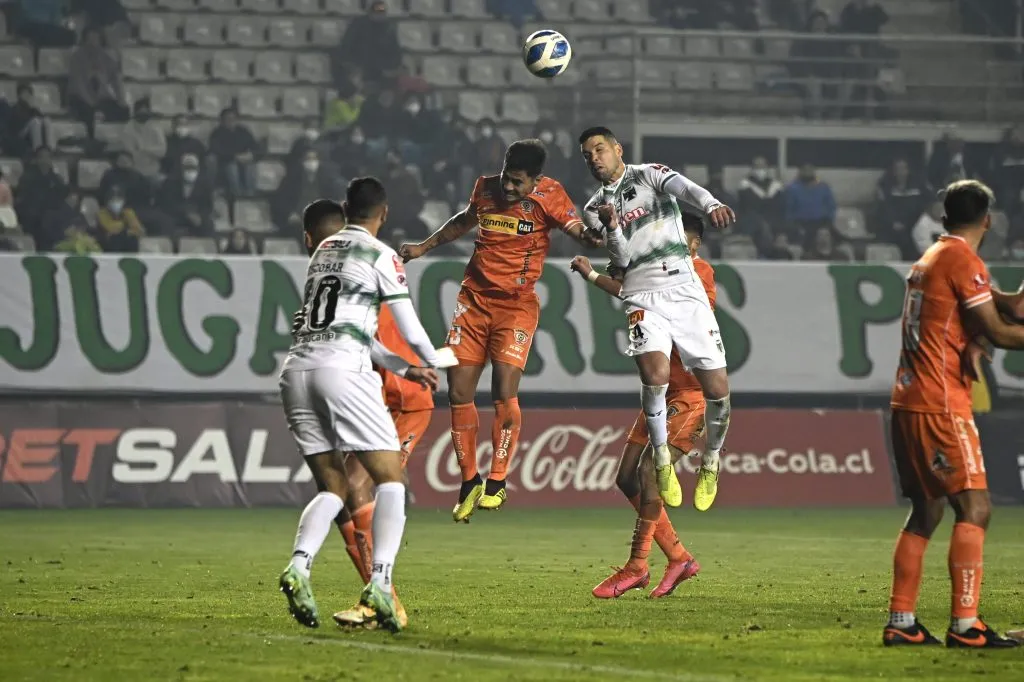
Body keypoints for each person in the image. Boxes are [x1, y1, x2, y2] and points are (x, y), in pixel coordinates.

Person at [277, 183, 456, 633]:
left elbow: (360, 334)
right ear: (384, 213)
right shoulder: (379, 254)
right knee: (390, 479)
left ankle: (299, 566)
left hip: (296, 372)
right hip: (344, 372)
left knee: (333, 489)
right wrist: (433, 359)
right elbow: (411, 330)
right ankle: (380, 584)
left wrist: (403, 368)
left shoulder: (321, 254)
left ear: (344, 210)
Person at [398, 139, 601, 521]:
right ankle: (469, 480)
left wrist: (592, 237)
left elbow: (575, 227)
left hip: (516, 307)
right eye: (507, 179)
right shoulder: (485, 187)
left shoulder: (551, 195)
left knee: (503, 389)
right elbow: (463, 219)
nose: (509, 188)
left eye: (518, 183)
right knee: (458, 392)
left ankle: (498, 480)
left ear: (536, 180)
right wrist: (424, 248)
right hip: (472, 302)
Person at [884, 179, 1024, 649]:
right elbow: (1001, 333)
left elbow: (1002, 308)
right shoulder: (963, 260)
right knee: (976, 507)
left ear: (945, 217)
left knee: (926, 510)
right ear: (988, 220)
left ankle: (902, 621)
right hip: (941, 401)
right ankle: (966, 625)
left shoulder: (933, 258)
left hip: (909, 399)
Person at [579, 126, 734, 511]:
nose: (594, 158)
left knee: (718, 389)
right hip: (641, 293)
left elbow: (685, 188)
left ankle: (711, 460)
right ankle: (662, 458)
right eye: (587, 155)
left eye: (599, 149)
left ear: (617, 149)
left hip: (683, 286)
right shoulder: (594, 208)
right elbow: (622, 258)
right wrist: (612, 226)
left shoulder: (648, 173)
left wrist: (711, 203)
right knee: (655, 377)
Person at [570, 214, 709, 599]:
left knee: (650, 469)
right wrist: (596, 276)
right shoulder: (659, 271)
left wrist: (635, 278)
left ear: (695, 244)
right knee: (626, 477)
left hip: (691, 395)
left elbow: (680, 310)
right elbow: (637, 292)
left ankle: (637, 565)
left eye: (688, 241)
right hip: (661, 394)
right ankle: (679, 557)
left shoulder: (699, 274)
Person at [67, 27, 129, 136]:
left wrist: (121, 99)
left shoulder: (106, 58)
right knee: (91, 114)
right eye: (90, 39)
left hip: (101, 99)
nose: (93, 43)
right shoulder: (76, 58)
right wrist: (93, 105)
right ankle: (93, 142)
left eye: (96, 39)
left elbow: (116, 79)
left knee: (123, 111)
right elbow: (79, 86)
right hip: (81, 99)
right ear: (84, 40)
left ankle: (117, 139)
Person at [876, 158, 930, 260]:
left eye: (903, 168)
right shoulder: (885, 185)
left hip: (915, 224)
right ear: (893, 171)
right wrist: (893, 222)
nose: (901, 172)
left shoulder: (918, 185)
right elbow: (884, 208)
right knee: (903, 238)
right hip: (894, 227)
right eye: (898, 168)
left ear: (908, 170)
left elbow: (929, 202)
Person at [15, 146, 68, 241]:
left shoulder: (56, 179)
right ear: (36, 159)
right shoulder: (27, 178)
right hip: (34, 216)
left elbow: (62, 196)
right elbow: (24, 200)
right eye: (42, 157)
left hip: (53, 214)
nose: (45, 160)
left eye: (48, 157)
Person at [158, 154, 215, 237]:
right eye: (187, 167)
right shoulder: (170, 182)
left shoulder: (205, 184)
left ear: (198, 168)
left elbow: (208, 206)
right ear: (181, 168)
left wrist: (199, 216)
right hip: (175, 214)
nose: (190, 170)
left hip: (197, 214)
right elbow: (167, 204)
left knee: (208, 224)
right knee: (165, 222)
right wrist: (187, 213)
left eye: (193, 167)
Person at [209, 108, 259, 198]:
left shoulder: (243, 131)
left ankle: (250, 194)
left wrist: (250, 154)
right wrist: (235, 156)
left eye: (233, 118)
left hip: (244, 161)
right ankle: (237, 194)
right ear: (222, 121)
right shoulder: (216, 133)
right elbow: (216, 151)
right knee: (232, 168)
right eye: (227, 119)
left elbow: (254, 147)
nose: (231, 121)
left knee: (251, 166)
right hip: (226, 162)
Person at [95, 184, 144, 252]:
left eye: (118, 199)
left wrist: (127, 230)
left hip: (126, 246)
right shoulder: (102, 213)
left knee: (132, 239)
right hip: (108, 247)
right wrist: (125, 225)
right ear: (107, 202)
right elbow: (111, 228)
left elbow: (139, 230)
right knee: (116, 238)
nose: (116, 202)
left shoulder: (128, 212)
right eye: (113, 200)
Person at [7, 84, 50, 156]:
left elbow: (42, 118)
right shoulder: (15, 108)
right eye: (24, 93)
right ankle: (37, 149)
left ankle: (50, 148)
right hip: (19, 134)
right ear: (19, 95)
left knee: (47, 121)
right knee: (35, 122)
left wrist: (33, 109)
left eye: (29, 94)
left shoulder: (32, 109)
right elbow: (18, 124)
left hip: (30, 132)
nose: (27, 96)